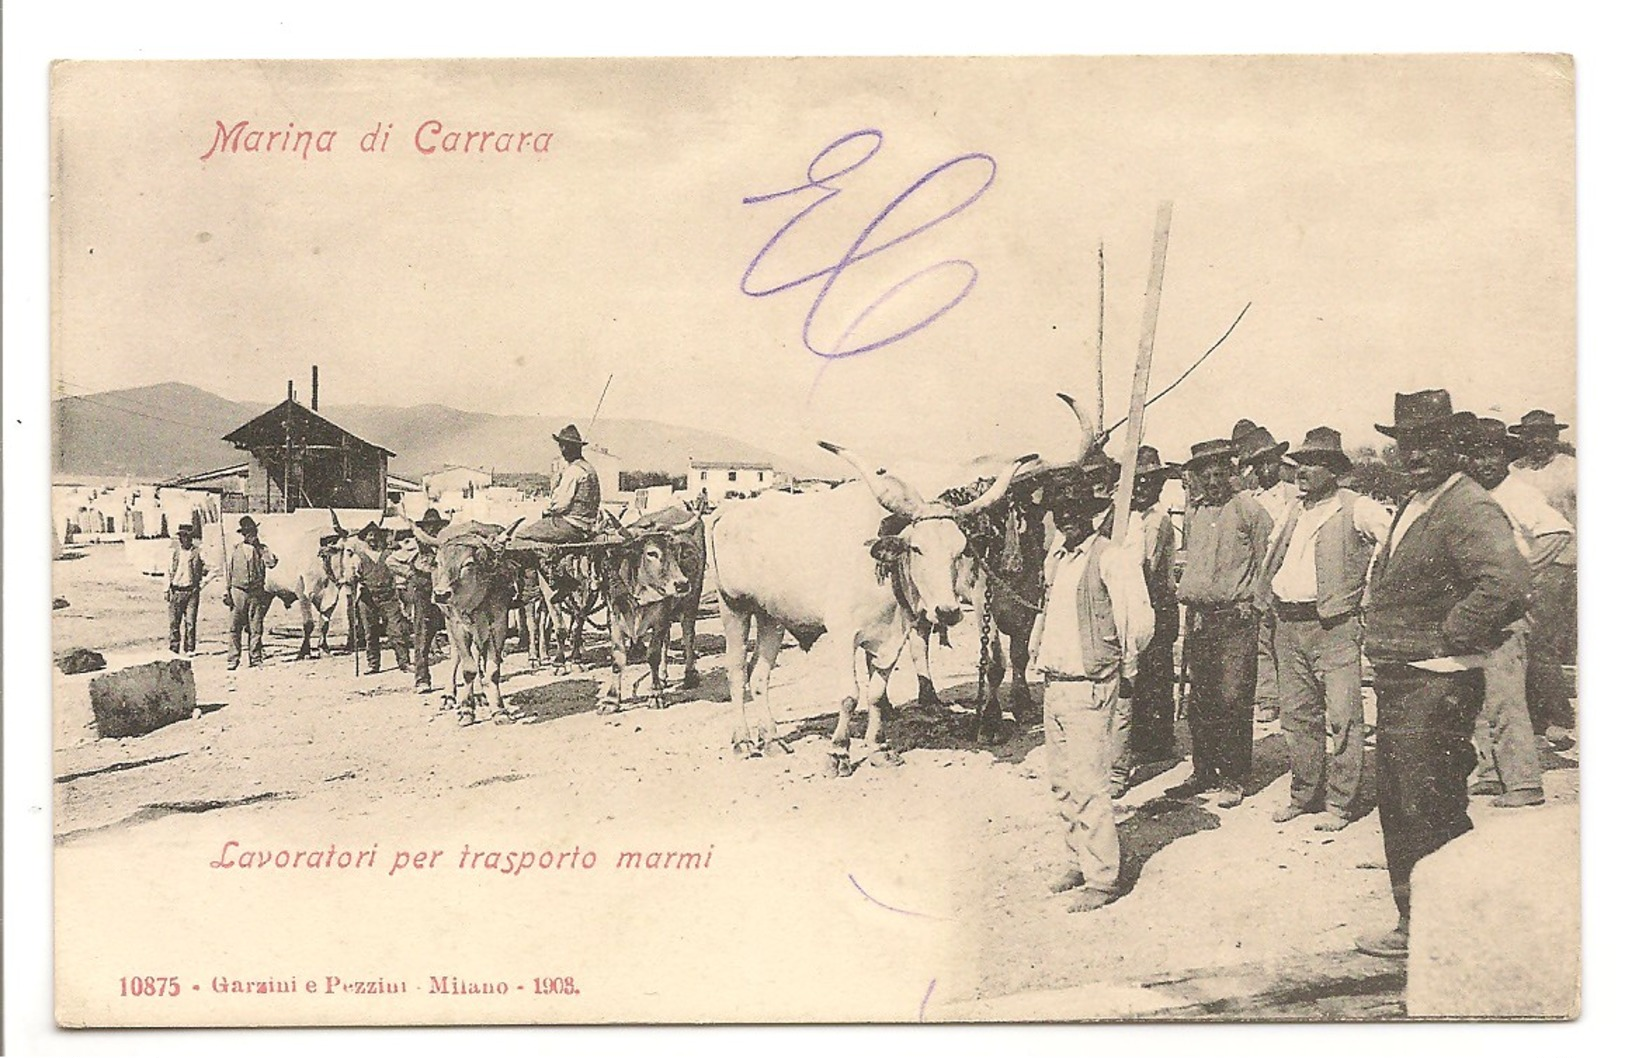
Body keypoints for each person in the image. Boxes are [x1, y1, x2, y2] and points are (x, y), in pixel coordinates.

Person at [1357, 390, 1528, 958]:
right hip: (1404, 676)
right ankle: (1434, 919)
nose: (1417, 453)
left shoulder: (1467, 506)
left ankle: (1444, 923)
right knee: (1409, 803)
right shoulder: (1419, 501)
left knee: (1425, 805)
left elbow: (1505, 583)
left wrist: (1450, 637)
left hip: (1437, 677)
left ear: (1454, 443)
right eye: (1408, 442)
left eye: (1429, 441)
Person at [1029, 456, 1155, 912]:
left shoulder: (1112, 558)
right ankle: (1076, 860)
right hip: (1055, 684)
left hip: (1089, 685)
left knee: (1089, 785)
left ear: (1092, 512)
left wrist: (1124, 669)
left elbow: (1138, 622)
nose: (1068, 519)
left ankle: (1103, 879)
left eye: (1076, 510)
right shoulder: (1057, 559)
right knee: (1061, 783)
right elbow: (1048, 614)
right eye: (1061, 513)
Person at [1259, 427, 1390, 831]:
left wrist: (1368, 594)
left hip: (1334, 625)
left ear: (1334, 470)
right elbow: (1273, 557)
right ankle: (1304, 795)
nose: (1303, 470)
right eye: (1301, 462)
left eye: (1314, 463)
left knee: (1343, 716)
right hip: (1289, 623)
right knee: (1298, 717)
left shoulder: (1358, 507)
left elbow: (1393, 545)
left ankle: (1341, 803)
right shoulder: (1293, 510)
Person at [1458, 415, 1573, 806]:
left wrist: (1520, 573)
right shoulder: (1471, 493)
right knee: (1477, 693)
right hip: (1475, 604)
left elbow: (1558, 532)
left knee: (1506, 695)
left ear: (1504, 457)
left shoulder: (1518, 492)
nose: (1483, 462)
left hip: (1506, 609)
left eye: (1490, 454)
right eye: (1475, 455)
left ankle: (1523, 782)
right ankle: (1491, 772)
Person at [1170, 438, 1274, 808]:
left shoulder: (1248, 509)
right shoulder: (1195, 512)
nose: (1213, 482)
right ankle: (1203, 771)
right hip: (1200, 620)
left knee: (1233, 697)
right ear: (1196, 478)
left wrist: (1257, 606)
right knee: (1202, 699)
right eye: (1206, 476)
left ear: (1230, 473)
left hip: (1236, 619)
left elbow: (1269, 560)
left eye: (1219, 474)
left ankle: (1233, 776)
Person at [1120, 446, 1180, 782]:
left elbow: (1148, 567)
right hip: (1138, 601)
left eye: (1149, 482)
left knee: (1155, 671)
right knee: (1138, 672)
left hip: (1156, 602)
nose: (1142, 488)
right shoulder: (1127, 519)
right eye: (1137, 482)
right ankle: (1143, 735)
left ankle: (1158, 740)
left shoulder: (1157, 522)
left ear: (1158, 486)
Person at [1237, 425, 1294, 724]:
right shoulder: (1249, 498)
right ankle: (1269, 696)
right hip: (1260, 574)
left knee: (1287, 638)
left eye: (1271, 461)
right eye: (1260, 464)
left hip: (1288, 575)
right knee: (1262, 638)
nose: (1267, 469)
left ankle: (1292, 695)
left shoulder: (1295, 496)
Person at [389, 509, 448, 693]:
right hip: (424, 591)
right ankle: (422, 679)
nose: (433, 529)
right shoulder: (414, 545)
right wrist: (410, 573)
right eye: (430, 526)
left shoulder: (447, 544)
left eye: (436, 526)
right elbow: (391, 561)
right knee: (422, 634)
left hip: (446, 592)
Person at [516, 424, 602, 545]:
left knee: (520, 535)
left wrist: (548, 507)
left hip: (571, 526)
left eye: (565, 445)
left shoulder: (573, 471)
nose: (562, 449)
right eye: (561, 445)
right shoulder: (589, 469)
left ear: (574, 448)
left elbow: (560, 505)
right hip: (587, 526)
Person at [352, 522, 412, 675]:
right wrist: (354, 578)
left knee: (397, 630)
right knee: (370, 632)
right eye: (369, 535)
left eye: (375, 535)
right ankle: (373, 664)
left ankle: (404, 662)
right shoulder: (358, 557)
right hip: (367, 598)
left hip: (388, 597)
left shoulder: (389, 555)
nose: (372, 538)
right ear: (365, 538)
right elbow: (351, 577)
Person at [224, 515, 278, 670]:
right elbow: (229, 572)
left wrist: (263, 550)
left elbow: (272, 564)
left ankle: (255, 658)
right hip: (238, 591)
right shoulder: (236, 549)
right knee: (235, 627)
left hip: (255, 592)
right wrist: (227, 592)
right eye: (247, 533)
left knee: (256, 627)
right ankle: (233, 659)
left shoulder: (262, 549)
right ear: (243, 534)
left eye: (252, 532)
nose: (250, 535)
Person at [1507, 409, 1576, 525]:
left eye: (1544, 435)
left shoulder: (1572, 467)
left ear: (1555, 436)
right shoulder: (1514, 469)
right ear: (1522, 439)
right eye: (1530, 436)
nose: (1537, 441)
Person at [166, 523, 207, 655]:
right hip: (176, 591)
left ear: (191, 538)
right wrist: (166, 589)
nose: (184, 539)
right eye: (181, 536)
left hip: (191, 591)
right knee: (174, 622)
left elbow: (214, 569)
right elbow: (167, 571)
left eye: (186, 536)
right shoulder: (174, 552)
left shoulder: (198, 552)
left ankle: (189, 648)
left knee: (190, 622)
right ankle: (174, 648)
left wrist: (202, 584)